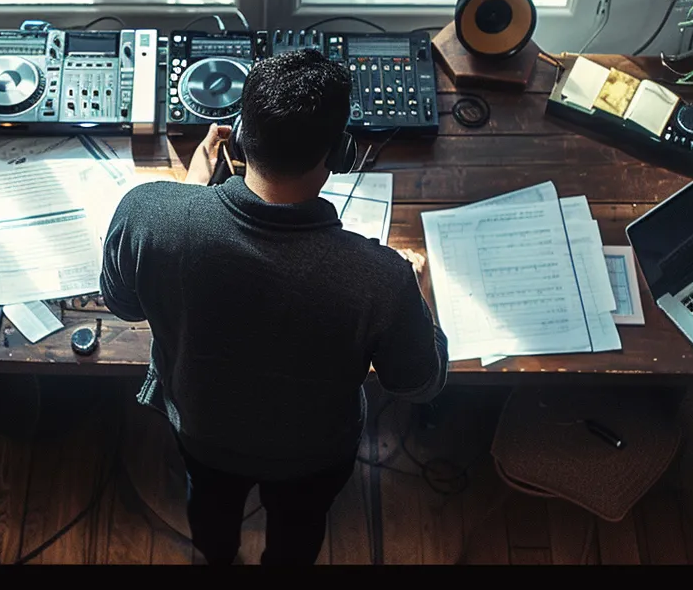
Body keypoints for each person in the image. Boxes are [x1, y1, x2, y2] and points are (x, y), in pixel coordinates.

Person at [100, 48, 449, 565]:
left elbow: (124, 305)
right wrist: (418, 294)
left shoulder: (146, 214)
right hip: (313, 456)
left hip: (202, 432)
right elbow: (420, 383)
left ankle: (216, 556)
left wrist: (190, 196)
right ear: (340, 153)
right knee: (299, 531)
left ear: (240, 135)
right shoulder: (380, 279)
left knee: (210, 513)